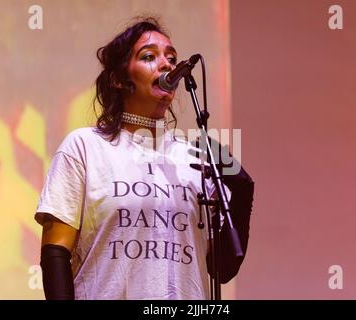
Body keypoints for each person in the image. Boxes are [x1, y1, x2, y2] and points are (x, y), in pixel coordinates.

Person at [35, 17, 254, 300]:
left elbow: (222, 270)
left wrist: (242, 192)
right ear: (118, 79)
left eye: (171, 58)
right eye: (149, 57)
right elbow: (56, 252)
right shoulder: (85, 146)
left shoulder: (194, 158)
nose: (166, 65)